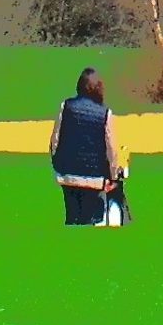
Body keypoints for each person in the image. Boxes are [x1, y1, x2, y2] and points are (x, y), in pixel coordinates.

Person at [50, 67, 127, 227]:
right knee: (90, 219)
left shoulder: (66, 106)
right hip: (94, 179)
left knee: (72, 217)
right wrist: (113, 176)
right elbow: (111, 150)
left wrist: (57, 164)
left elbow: (55, 141)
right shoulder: (105, 113)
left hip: (68, 176)